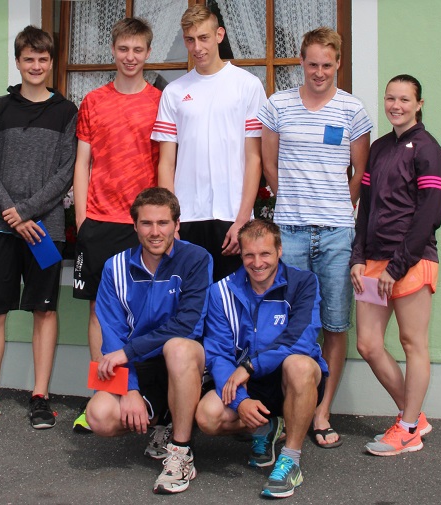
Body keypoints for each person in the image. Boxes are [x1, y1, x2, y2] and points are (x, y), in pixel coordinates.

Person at [258, 27, 373, 448]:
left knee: (335, 324)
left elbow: (359, 173)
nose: (319, 72)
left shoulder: (352, 110)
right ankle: (291, 410)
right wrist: (291, 201)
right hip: (290, 231)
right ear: (301, 63)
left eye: (327, 64)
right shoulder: (278, 105)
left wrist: (338, 208)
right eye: (312, 64)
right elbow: (269, 165)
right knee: (289, 321)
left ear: (338, 63)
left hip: (338, 234)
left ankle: (322, 410)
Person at [0, 26, 77, 430]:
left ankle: (40, 397)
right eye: (29, 59)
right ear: (18, 62)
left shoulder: (67, 112)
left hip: (45, 231)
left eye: (43, 59)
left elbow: (66, 172)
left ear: (51, 63)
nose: (36, 65)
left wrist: (26, 212)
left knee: (44, 310)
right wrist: (12, 213)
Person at [85, 187, 212, 494]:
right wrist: (129, 389)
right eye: (147, 223)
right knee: (98, 416)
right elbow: (111, 334)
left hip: (183, 362)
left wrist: (128, 352)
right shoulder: (115, 267)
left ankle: (181, 451)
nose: (155, 232)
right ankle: (162, 423)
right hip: (139, 364)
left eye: (163, 223)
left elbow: (187, 325)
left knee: (178, 348)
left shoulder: (196, 258)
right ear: (135, 226)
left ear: (176, 225)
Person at [72, 18, 162, 431]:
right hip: (99, 222)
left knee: (147, 311)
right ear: (113, 50)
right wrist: (82, 220)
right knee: (99, 311)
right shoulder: (93, 101)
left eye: (137, 50)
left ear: (148, 53)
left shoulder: (159, 101)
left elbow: (166, 162)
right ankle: (103, 394)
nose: (130, 57)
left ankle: (145, 398)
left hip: (142, 225)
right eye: (123, 49)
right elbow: (83, 162)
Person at [350, 74, 441, 456]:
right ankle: (414, 417)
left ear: (419, 104)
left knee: (412, 342)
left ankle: (406, 429)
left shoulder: (428, 149)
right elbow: (366, 207)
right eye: (391, 98)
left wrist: (398, 265)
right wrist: (358, 257)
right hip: (375, 260)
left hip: (412, 259)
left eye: (405, 99)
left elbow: (429, 215)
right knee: (369, 343)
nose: (396, 105)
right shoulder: (378, 148)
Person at [196, 219, 328, 499]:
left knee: (300, 364)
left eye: (265, 253)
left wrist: (251, 365)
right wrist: (240, 401)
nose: (257, 263)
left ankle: (291, 459)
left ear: (279, 250)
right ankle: (266, 427)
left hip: (289, 380)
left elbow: (301, 339)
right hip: (247, 384)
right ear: (241, 254)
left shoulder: (303, 283)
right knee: (207, 417)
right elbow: (218, 353)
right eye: (249, 255)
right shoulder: (221, 291)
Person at [151, 4, 267, 282]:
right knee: (188, 302)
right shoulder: (174, 91)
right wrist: (170, 221)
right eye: (190, 40)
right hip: (187, 218)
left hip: (233, 217)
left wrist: (243, 219)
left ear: (219, 35)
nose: (197, 47)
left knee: (231, 303)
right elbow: (166, 163)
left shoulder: (248, 85)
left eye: (203, 38)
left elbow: (254, 159)